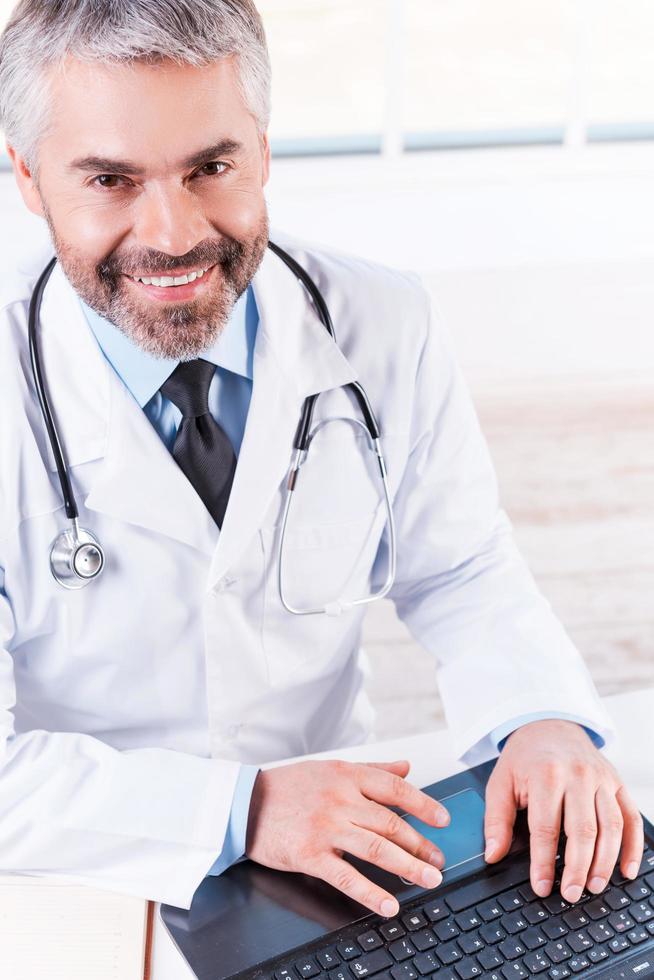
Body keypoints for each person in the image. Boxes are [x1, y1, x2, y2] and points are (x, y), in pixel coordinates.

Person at [0, 0, 643, 918]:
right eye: (109, 179)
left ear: (261, 149)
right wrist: (240, 809)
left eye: (210, 167)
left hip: (343, 844)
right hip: (92, 854)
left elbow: (459, 567)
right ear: (28, 174)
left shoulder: (384, 322)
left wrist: (540, 720)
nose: (173, 233)